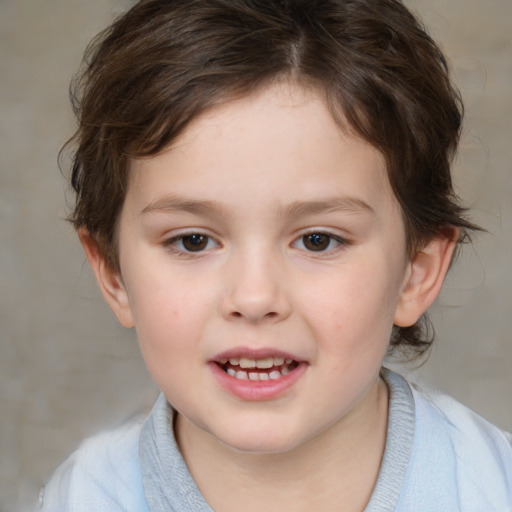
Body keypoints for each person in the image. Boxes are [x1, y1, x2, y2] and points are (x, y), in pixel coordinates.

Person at [40, 0, 512, 510]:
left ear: (416, 274)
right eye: (193, 240)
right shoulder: (82, 497)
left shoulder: (492, 486)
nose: (255, 297)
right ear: (113, 273)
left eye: (318, 240)